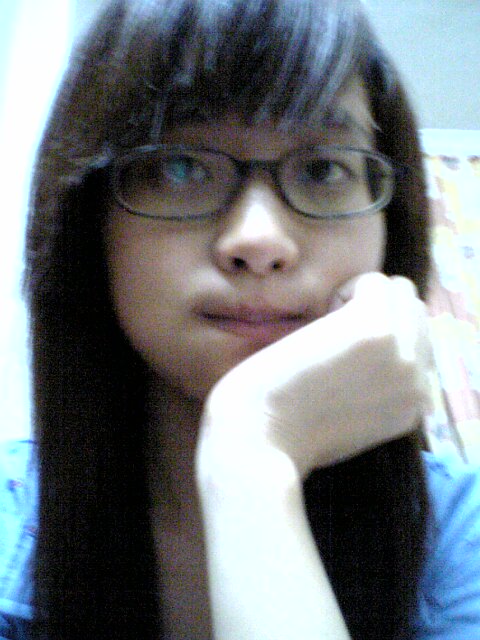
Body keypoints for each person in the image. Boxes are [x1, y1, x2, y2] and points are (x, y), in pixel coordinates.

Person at [1, 0, 479, 638]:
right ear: (92, 226)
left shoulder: (463, 534)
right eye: (180, 168)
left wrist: (253, 459)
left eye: (322, 170)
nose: (260, 240)